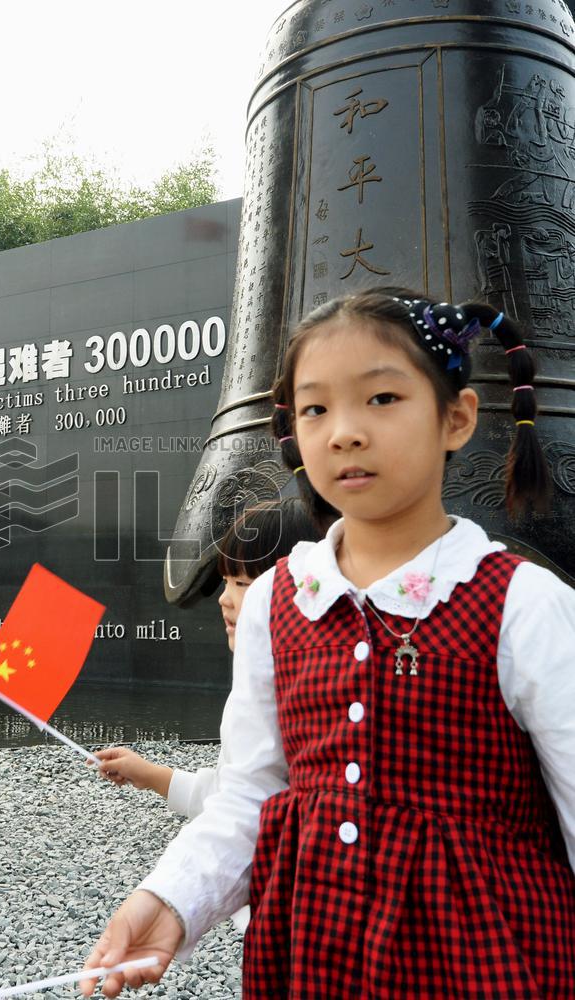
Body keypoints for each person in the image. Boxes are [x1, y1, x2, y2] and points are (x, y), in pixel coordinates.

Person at [80, 289, 575, 999]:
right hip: (311, 952)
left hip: (487, 961)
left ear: (457, 417)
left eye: (381, 399)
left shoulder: (522, 604)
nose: (343, 431)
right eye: (315, 408)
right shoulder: (277, 603)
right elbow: (252, 793)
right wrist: (170, 901)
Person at [93, 502, 317, 822]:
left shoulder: (315, 697)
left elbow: (241, 810)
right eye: (226, 581)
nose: (224, 599)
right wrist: (148, 774)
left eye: (242, 584)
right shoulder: (259, 684)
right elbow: (231, 794)